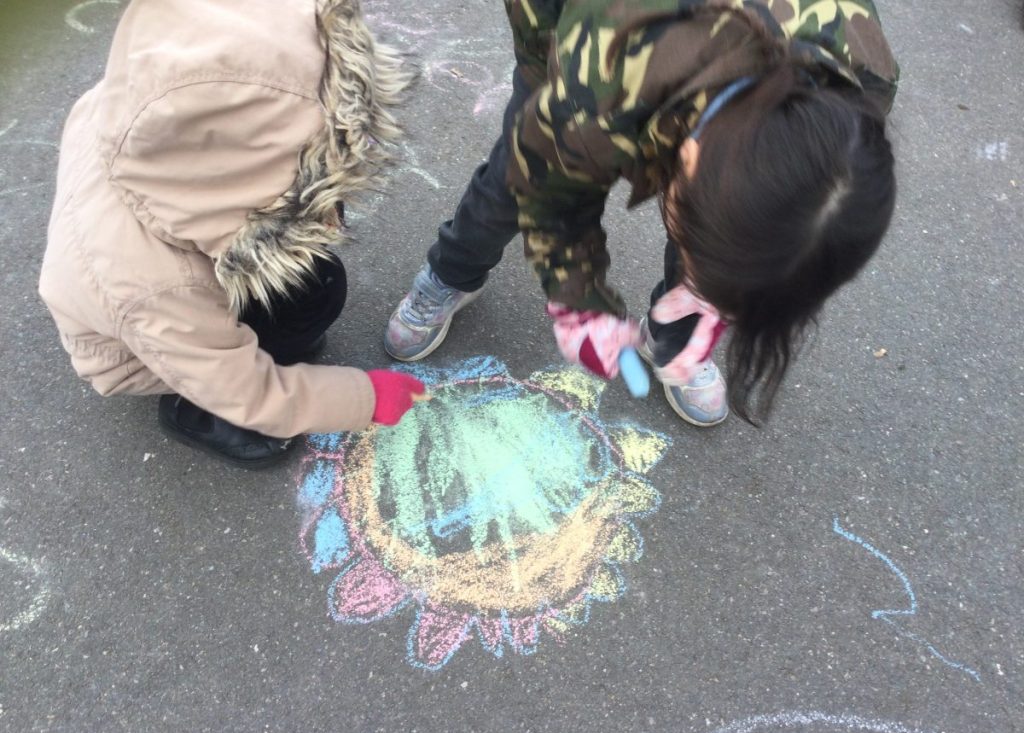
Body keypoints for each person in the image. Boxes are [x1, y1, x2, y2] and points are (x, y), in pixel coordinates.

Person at [384, 0, 898, 426]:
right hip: (571, 44)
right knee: (514, 179)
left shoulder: (862, 72)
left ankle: (672, 334)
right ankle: (454, 269)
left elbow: (790, 212)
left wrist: (726, 292)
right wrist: (577, 295)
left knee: (727, 232)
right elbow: (546, 181)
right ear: (685, 159)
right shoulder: (602, 65)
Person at [38, 0, 426, 469]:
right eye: (303, 173)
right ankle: (196, 413)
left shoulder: (147, 113)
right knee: (263, 351)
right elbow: (247, 390)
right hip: (136, 351)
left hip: (153, 285)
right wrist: (365, 398)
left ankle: (248, 352)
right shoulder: (155, 286)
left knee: (315, 283)